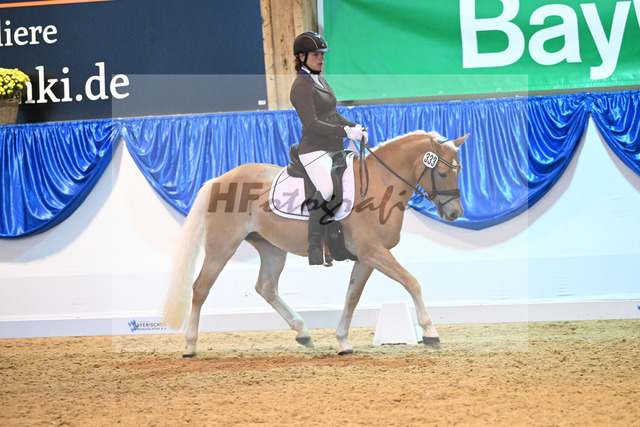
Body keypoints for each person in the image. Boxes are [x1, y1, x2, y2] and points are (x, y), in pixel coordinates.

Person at [290, 31, 367, 265]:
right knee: (326, 190)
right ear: (301, 57)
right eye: (316, 54)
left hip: (333, 146)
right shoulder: (300, 87)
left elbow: (333, 114)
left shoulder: (319, 80)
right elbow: (312, 124)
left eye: (322, 54)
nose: (321, 58)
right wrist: (344, 132)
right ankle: (315, 247)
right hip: (314, 150)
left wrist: (353, 127)